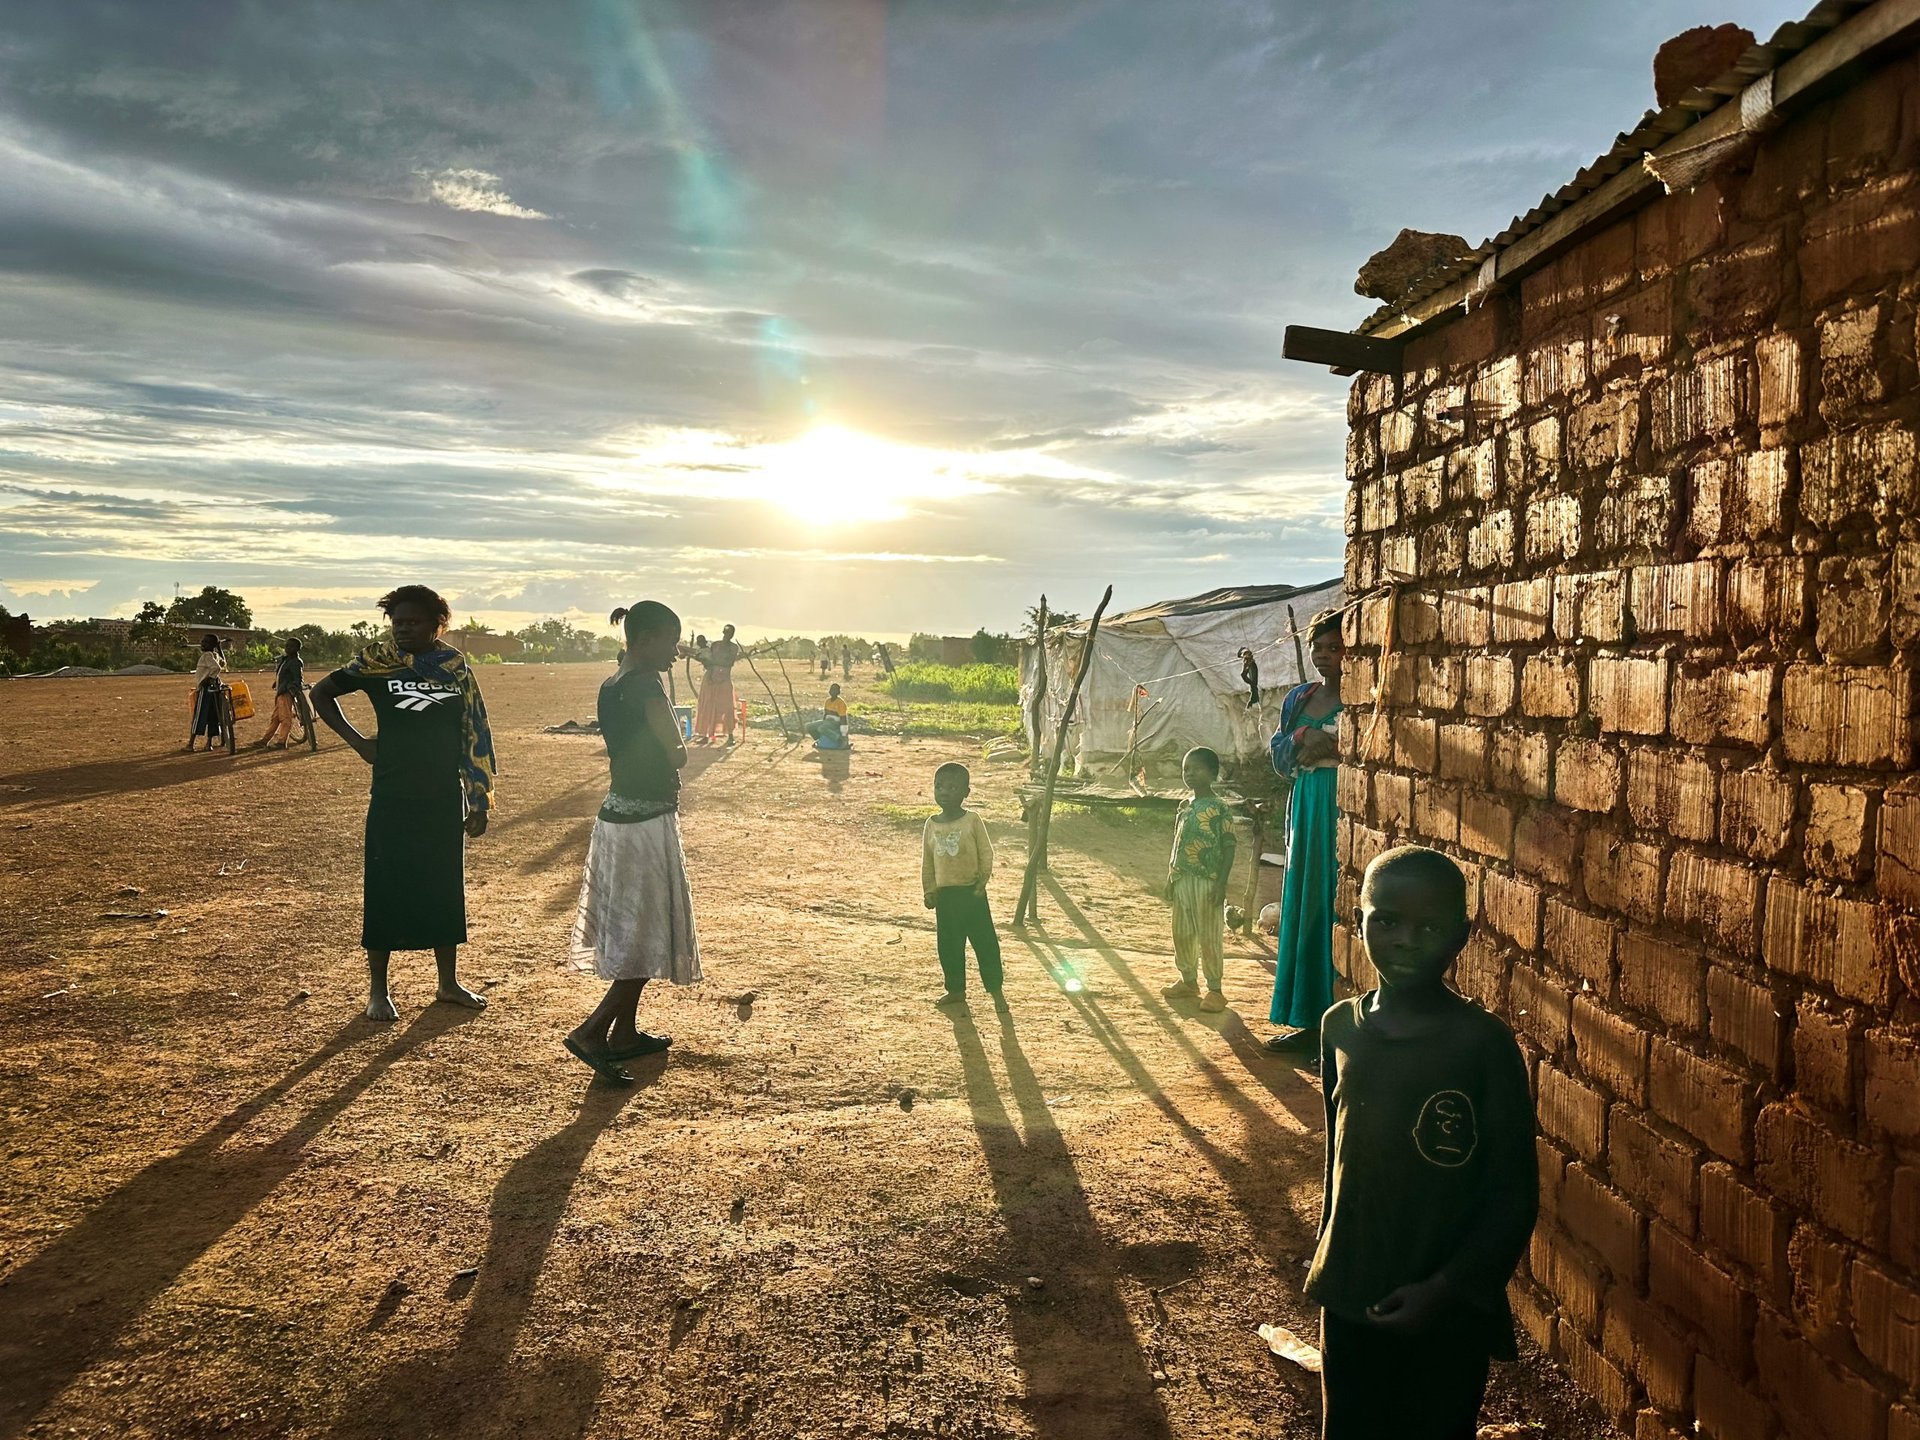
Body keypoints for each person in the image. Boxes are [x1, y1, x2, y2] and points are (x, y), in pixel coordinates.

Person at [1309, 846, 1536, 1439]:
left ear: (1462, 936)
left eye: (1429, 926)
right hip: (1353, 1293)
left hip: (1444, 1311)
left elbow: (1513, 1194)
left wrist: (1448, 1290)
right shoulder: (1338, 1027)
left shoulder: (1481, 1047)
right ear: (1357, 919)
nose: (1405, 940)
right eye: (1385, 921)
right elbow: (1340, 1156)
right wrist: (1332, 1258)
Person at [311, 584, 496, 1021]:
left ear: (437, 625)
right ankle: (379, 991)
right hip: (392, 795)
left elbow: (474, 730)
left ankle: (447, 983)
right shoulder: (376, 664)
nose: (404, 630)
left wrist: (478, 797)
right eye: (398, 622)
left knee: (444, 886)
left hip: (441, 795)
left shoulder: (455, 668)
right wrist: (359, 744)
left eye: (414, 622)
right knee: (385, 887)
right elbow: (320, 694)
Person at [564, 602, 703, 1084]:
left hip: (618, 814)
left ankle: (624, 1034)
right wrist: (680, 743)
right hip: (646, 820)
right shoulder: (647, 686)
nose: (675, 650)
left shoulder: (613, 683)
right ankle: (593, 1031)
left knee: (636, 923)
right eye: (670, 640)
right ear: (645, 639)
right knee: (646, 930)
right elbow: (678, 754)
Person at [1266, 611, 1345, 1054]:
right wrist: (1299, 737)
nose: (1324, 657)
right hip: (1307, 803)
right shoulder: (1300, 698)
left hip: (1341, 805)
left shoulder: (1362, 698)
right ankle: (1305, 1018)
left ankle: (1337, 1024)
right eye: (1319, 648)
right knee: (1304, 902)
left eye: (1335, 649)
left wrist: (1332, 744)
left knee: (1333, 901)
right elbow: (1278, 754)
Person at [1162, 746, 1236, 1013]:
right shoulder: (1185, 806)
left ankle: (1215, 990)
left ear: (1213, 773)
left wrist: (1221, 883)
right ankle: (1188, 980)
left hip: (1208, 880)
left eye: (1196, 768)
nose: (1189, 774)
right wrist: (1170, 877)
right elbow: (1178, 845)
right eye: (1186, 769)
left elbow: (1229, 846)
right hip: (1182, 878)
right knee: (1181, 932)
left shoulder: (1219, 808)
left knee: (1208, 935)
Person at [922, 762, 1002, 1009]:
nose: (944, 792)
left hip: (972, 893)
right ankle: (956, 989)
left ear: (966, 792)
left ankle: (996, 990)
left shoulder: (972, 821)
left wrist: (982, 882)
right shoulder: (931, 824)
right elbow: (928, 860)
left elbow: (986, 853)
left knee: (985, 943)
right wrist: (929, 890)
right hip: (946, 897)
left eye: (952, 787)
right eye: (939, 786)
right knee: (949, 946)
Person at [693, 623, 742, 746]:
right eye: (725, 632)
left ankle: (730, 736)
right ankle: (705, 735)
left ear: (732, 634)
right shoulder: (715, 645)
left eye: (729, 632)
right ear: (723, 632)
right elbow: (708, 657)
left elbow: (729, 662)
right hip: (710, 678)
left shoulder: (733, 647)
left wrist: (714, 662)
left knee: (727, 707)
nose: (727, 634)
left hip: (724, 678)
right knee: (707, 706)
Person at [254, 637, 305, 749]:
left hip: (286, 692)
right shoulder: (286, 659)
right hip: (281, 691)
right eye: (287, 646)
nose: (287, 648)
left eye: (291, 646)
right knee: (275, 718)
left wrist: (290, 687)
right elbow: (283, 675)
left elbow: (297, 679)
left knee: (285, 718)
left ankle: (282, 742)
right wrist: (276, 683)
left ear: (297, 649)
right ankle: (265, 740)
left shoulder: (295, 662)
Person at [184, 633, 227, 752]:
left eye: (206, 642)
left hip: (206, 689)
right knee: (213, 716)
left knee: (199, 715)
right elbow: (223, 664)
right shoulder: (215, 655)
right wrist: (219, 648)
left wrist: (208, 678)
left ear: (212, 645)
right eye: (203, 641)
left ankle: (190, 744)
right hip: (215, 689)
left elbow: (216, 668)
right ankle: (209, 743)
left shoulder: (206, 656)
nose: (202, 644)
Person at [808, 682, 851, 749]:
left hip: (836, 722)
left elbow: (843, 718)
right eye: (831, 690)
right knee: (809, 726)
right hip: (827, 721)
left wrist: (844, 733)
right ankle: (819, 739)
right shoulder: (827, 701)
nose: (832, 692)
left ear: (838, 692)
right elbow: (825, 714)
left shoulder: (841, 703)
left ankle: (840, 739)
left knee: (821, 728)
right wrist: (823, 722)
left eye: (834, 690)